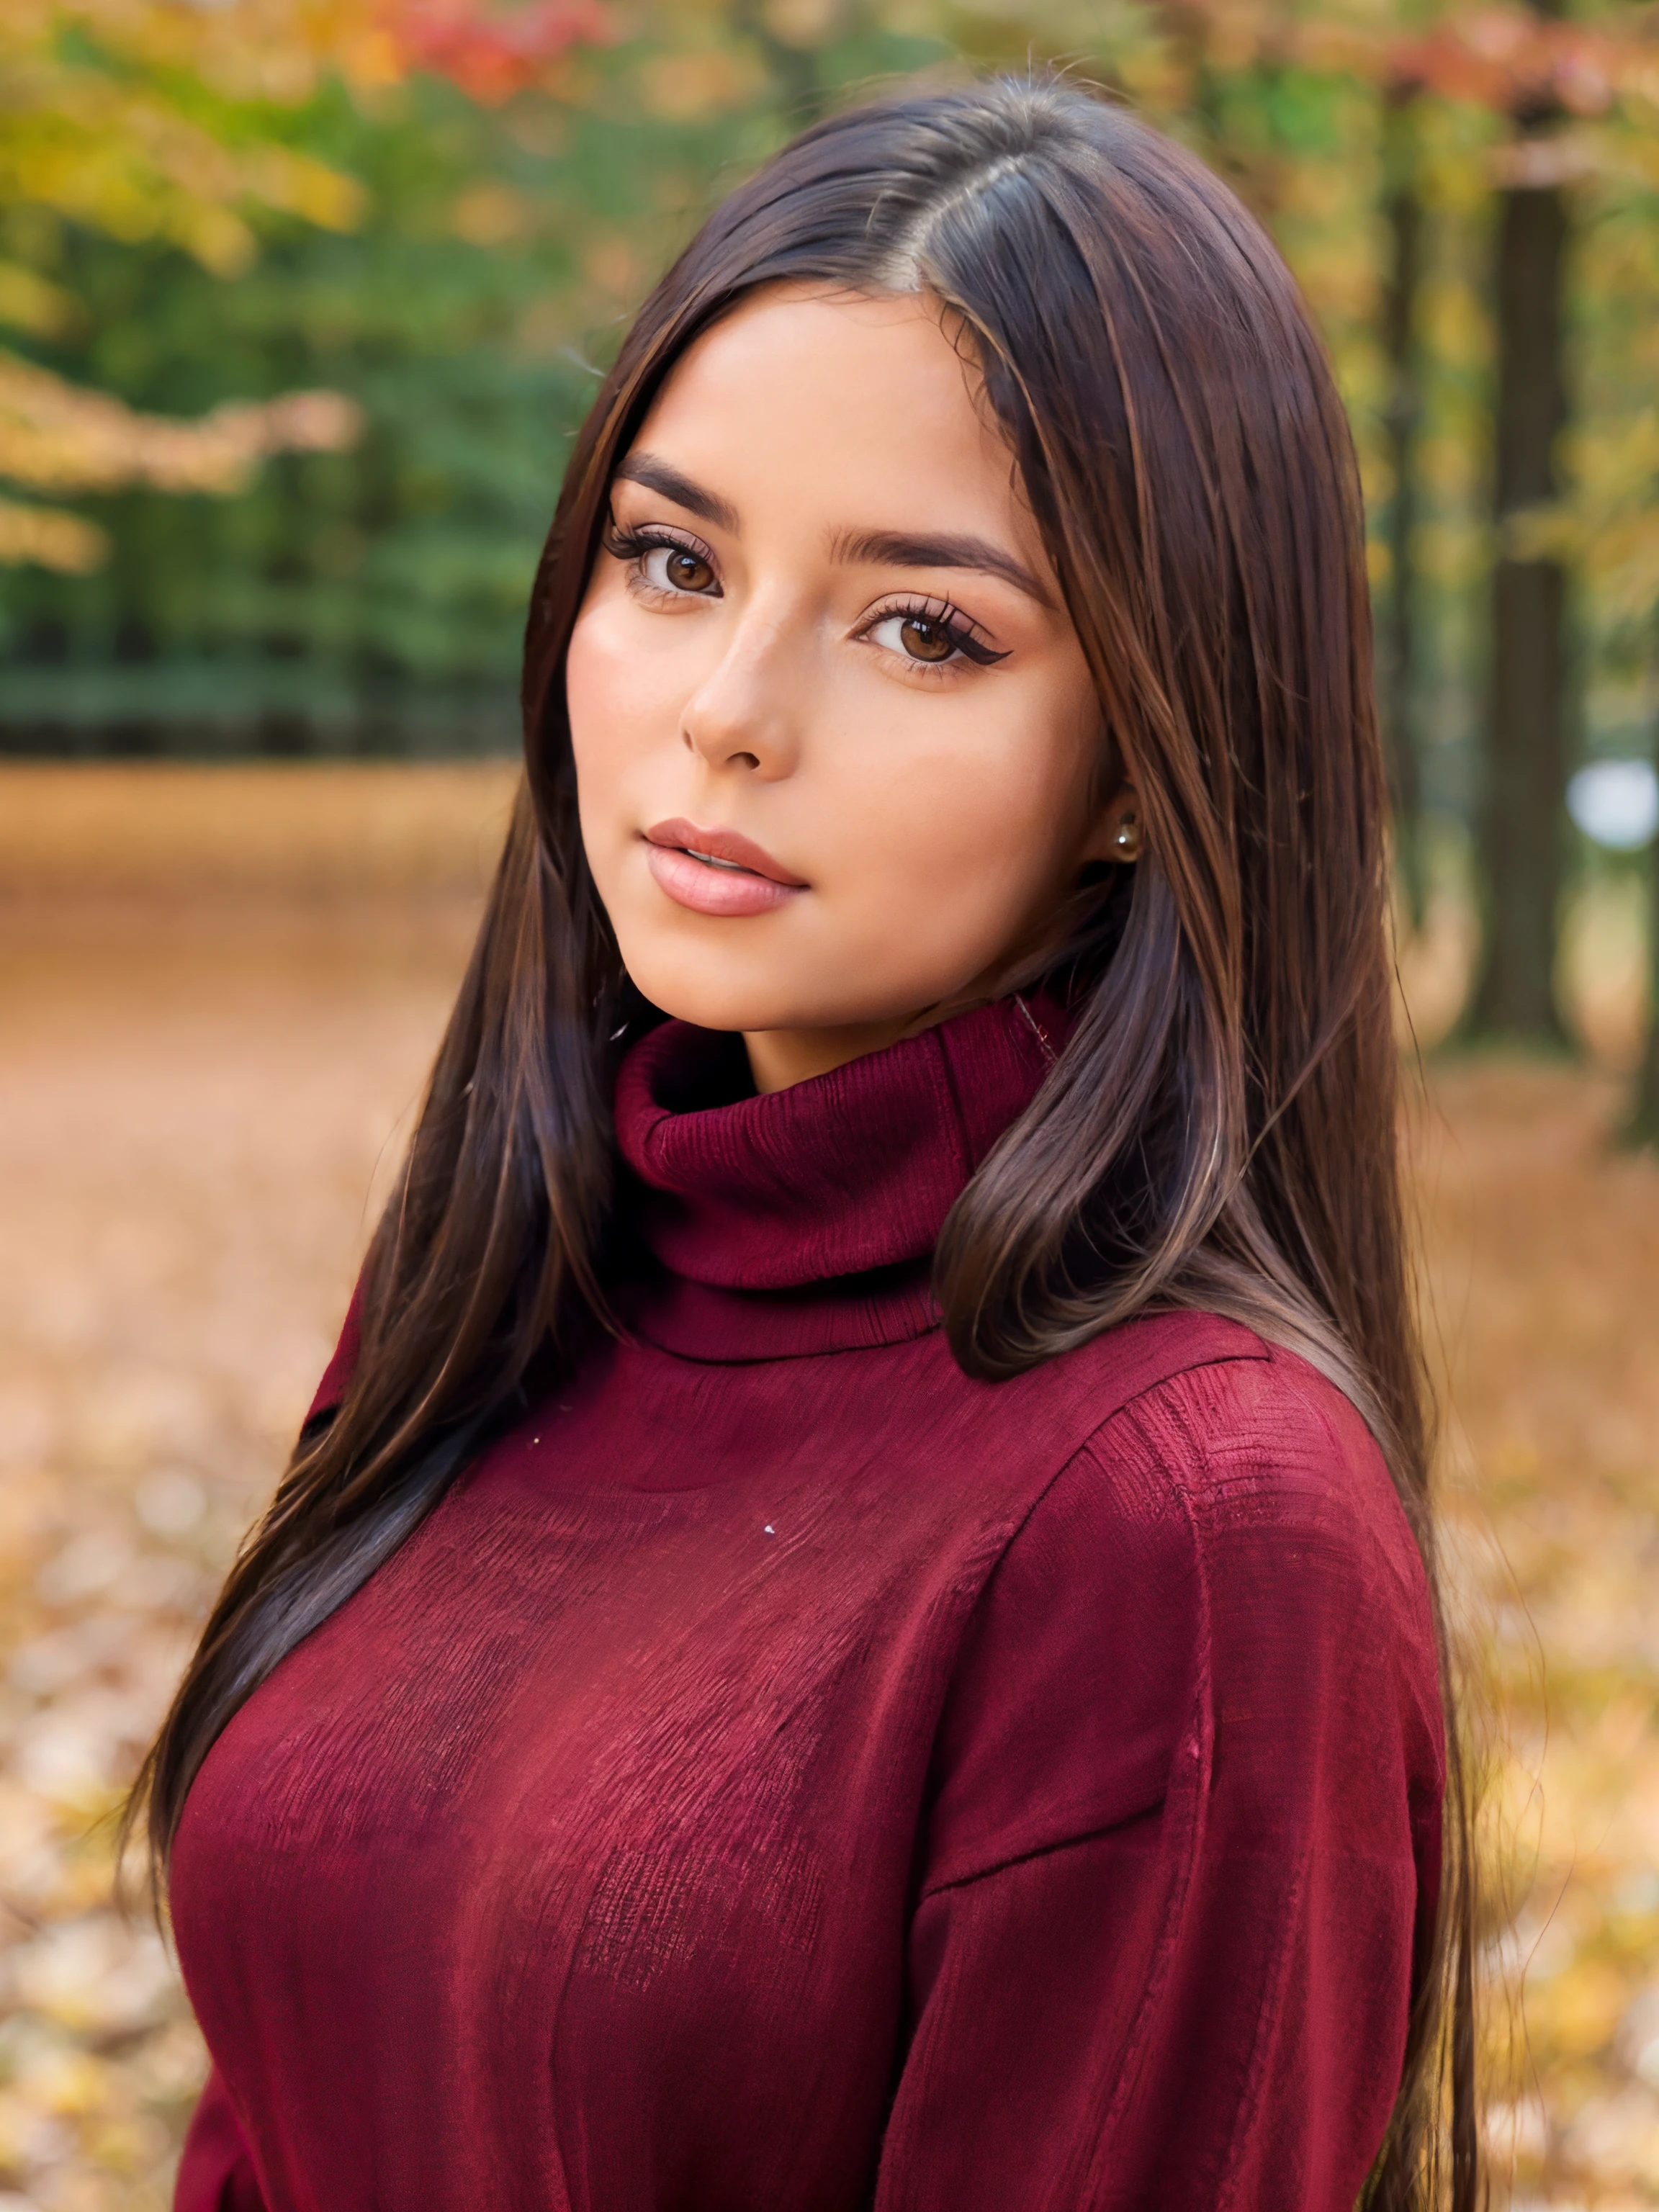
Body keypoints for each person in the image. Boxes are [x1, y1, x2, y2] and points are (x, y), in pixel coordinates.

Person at [136, 74, 1476, 2212]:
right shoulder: (529, 1267)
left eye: (923, 627)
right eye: (672, 560)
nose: (729, 708)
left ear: (1151, 753)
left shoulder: (1186, 1529)